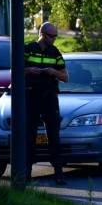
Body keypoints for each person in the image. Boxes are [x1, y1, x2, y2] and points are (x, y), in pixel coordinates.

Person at [25, 21, 69, 185]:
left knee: (54, 136)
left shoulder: (55, 52)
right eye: (51, 36)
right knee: (29, 136)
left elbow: (65, 77)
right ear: (42, 34)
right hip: (31, 96)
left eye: (56, 36)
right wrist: (29, 70)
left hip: (49, 97)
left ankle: (58, 173)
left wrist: (53, 72)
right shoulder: (28, 48)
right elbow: (14, 70)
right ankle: (26, 173)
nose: (54, 39)